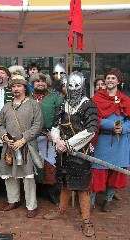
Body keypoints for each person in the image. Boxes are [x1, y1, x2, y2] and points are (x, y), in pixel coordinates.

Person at [43, 72, 98, 237]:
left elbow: (91, 130)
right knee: (65, 183)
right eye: (71, 86)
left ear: (82, 86)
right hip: (63, 153)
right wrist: (58, 141)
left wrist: (68, 144)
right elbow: (54, 126)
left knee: (83, 188)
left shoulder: (88, 105)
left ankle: (86, 221)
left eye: (76, 86)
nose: (73, 89)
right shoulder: (63, 104)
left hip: (80, 152)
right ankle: (61, 210)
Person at [0, 74, 42, 218]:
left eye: (19, 86)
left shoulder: (33, 104)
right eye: (13, 86)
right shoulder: (6, 107)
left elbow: (38, 125)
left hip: (26, 146)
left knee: (28, 177)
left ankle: (31, 205)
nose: (16, 89)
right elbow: (0, 125)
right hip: (9, 146)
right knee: (10, 175)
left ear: (24, 88)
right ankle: (13, 200)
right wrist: (4, 137)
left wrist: (23, 139)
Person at [91, 68, 130, 212]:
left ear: (118, 81)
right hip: (102, 140)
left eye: (113, 78)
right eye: (108, 78)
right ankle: (91, 201)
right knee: (97, 172)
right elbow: (93, 119)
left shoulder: (126, 99)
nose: (110, 80)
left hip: (121, 142)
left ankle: (108, 200)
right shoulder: (97, 98)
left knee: (116, 173)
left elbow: (129, 121)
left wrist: (124, 128)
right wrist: (110, 125)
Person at [30, 73, 63, 205]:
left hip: (49, 137)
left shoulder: (55, 98)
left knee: (50, 165)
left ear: (47, 83)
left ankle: (52, 193)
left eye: (43, 81)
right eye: (37, 81)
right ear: (32, 83)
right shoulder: (28, 98)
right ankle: (37, 192)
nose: (40, 83)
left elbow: (60, 115)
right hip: (31, 137)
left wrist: (54, 132)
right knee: (34, 165)